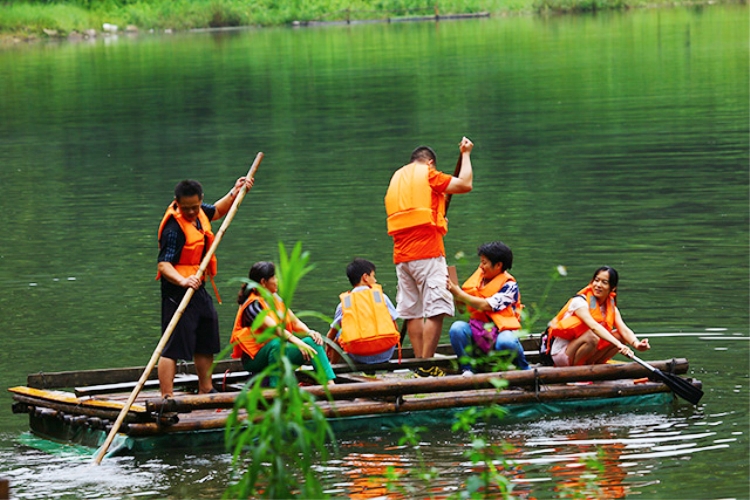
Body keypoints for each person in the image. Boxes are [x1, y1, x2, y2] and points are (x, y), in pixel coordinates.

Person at [384, 137, 474, 376]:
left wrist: (440, 213)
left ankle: (418, 365)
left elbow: (422, 209)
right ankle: (426, 363)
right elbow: (465, 184)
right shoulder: (429, 174)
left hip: (402, 258)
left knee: (412, 311)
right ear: (430, 162)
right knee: (436, 308)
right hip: (428, 254)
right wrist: (465, 154)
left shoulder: (397, 179)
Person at [157, 176, 253, 398]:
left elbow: (218, 211)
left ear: (200, 200)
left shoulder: (200, 212)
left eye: (195, 207)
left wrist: (235, 191)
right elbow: (163, 264)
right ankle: (167, 397)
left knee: (206, 334)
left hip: (197, 286)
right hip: (178, 291)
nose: (191, 212)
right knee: (173, 344)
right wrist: (182, 281)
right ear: (177, 203)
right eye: (186, 208)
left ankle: (206, 387)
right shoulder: (174, 227)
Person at [229, 261, 336, 386]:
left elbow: (294, 322)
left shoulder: (275, 299)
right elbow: (275, 330)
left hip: (278, 352)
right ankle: (276, 389)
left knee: (313, 342)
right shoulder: (252, 306)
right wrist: (299, 343)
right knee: (276, 343)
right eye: (273, 277)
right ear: (263, 282)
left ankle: (331, 385)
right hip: (255, 359)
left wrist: (309, 332)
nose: (277, 280)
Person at [446, 241, 529, 376]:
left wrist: (459, 294)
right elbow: (463, 311)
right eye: (481, 262)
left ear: (498, 265)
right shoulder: (478, 281)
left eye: (484, 263)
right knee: (457, 328)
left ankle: (525, 371)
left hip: (501, 331)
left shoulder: (510, 286)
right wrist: (456, 295)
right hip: (478, 330)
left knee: (507, 342)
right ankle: (468, 369)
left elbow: (487, 305)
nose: (480, 266)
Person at [546, 266, 650, 367]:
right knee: (592, 336)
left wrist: (636, 344)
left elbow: (624, 330)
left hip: (587, 350)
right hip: (563, 353)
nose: (598, 285)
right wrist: (619, 345)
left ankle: (596, 368)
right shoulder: (579, 302)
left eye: (604, 282)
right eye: (596, 280)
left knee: (620, 335)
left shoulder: (611, 307)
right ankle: (577, 374)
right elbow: (594, 326)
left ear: (612, 288)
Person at [325, 258, 400, 365]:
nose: (375, 280)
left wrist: (328, 346)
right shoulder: (381, 297)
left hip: (359, 355)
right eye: (373, 276)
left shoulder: (345, 303)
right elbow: (394, 327)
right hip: (385, 353)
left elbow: (332, 333)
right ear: (365, 277)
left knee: (339, 333)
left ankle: (333, 366)